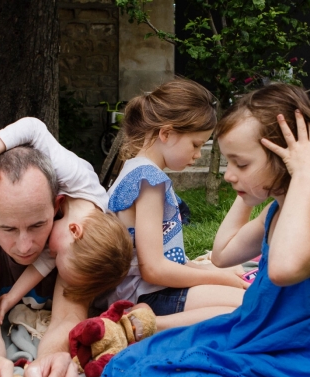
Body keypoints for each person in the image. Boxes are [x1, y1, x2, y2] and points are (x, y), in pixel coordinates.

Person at [97, 84, 310, 377]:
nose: (228, 174)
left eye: (240, 164)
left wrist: (306, 177)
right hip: (261, 340)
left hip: (301, 362)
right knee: (124, 366)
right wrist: (247, 196)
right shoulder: (275, 213)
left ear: (290, 161)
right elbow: (223, 254)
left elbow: (286, 267)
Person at [0, 118, 130, 377]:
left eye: (37, 225)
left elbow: (68, 314)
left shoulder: (81, 238)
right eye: (7, 228)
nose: (25, 246)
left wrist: (55, 360)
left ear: (58, 206)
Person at [104, 79, 247, 329]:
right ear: (166, 133)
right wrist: (220, 279)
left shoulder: (134, 170)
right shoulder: (149, 182)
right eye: (196, 144)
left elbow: (168, 259)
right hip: (145, 294)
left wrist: (217, 275)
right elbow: (154, 270)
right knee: (251, 306)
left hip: (142, 289)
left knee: (245, 300)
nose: (198, 154)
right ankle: (148, 325)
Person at [0, 118, 132, 323]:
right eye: (56, 253)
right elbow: (34, 128)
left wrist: (11, 297)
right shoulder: (75, 176)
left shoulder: (76, 238)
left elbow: (42, 265)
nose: (50, 253)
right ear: (75, 230)